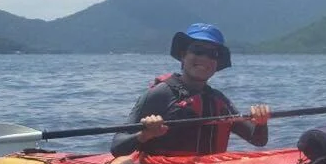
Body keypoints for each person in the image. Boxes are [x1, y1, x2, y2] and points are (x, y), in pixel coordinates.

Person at [111, 23, 271, 156]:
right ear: (183, 55)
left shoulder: (220, 101)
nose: (204, 58)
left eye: (212, 54)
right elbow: (117, 147)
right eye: (198, 50)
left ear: (216, 63)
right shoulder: (160, 94)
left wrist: (261, 122)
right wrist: (144, 135)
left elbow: (258, 140)